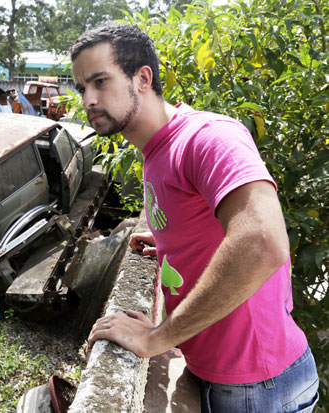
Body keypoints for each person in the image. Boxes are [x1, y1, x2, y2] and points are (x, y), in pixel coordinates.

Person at [70, 22, 319, 412]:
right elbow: (210, 224)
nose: (88, 99)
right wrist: (174, 243)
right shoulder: (156, 151)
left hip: (258, 385)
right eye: (81, 88)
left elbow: (262, 242)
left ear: (142, 78)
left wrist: (156, 338)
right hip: (226, 375)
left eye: (100, 82)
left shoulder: (208, 136)